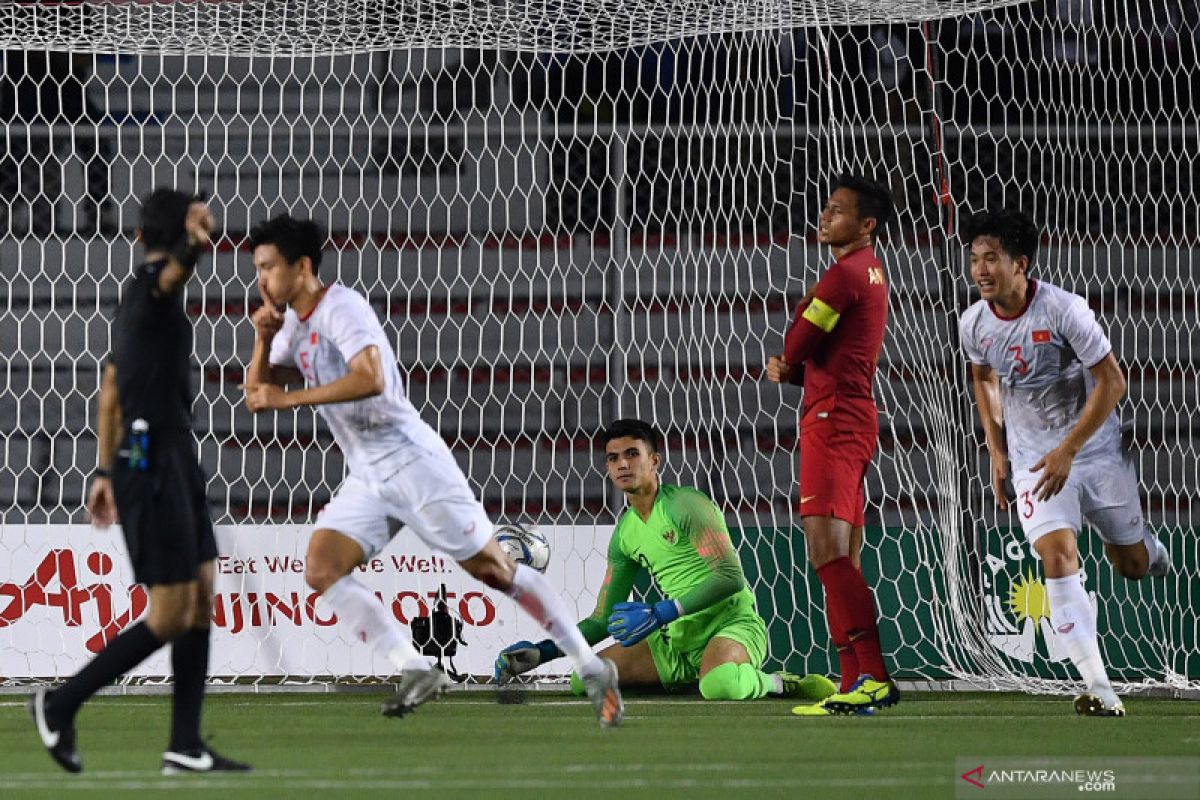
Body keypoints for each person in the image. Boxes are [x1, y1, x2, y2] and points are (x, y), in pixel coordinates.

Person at [241, 214, 624, 727]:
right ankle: (415, 667)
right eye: (258, 269)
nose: (260, 280)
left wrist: (291, 398)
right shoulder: (293, 326)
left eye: (267, 267)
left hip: (413, 462)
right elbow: (255, 395)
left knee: (495, 571)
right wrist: (264, 340)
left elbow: (370, 378)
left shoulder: (342, 308)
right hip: (368, 476)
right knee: (321, 568)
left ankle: (590, 663)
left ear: (302, 266)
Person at [27, 189, 251, 774]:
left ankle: (185, 743)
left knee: (200, 596)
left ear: (135, 236)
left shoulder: (139, 308)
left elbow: (108, 391)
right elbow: (172, 272)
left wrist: (102, 468)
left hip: (165, 455)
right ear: (168, 243)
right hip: (151, 462)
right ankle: (59, 703)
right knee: (171, 612)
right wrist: (194, 244)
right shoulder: (154, 291)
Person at [958, 208, 1169, 717]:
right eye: (974, 259)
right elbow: (983, 377)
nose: (980, 270)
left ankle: (1151, 551)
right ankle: (1099, 687)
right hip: (1034, 460)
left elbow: (1113, 383)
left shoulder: (1064, 310)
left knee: (1133, 566)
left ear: (1021, 264)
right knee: (1056, 555)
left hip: (1093, 452)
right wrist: (996, 445)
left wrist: (1069, 450)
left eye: (992, 259)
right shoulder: (974, 323)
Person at [494, 419, 838, 703]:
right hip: (675, 639)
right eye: (613, 459)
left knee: (722, 687)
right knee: (584, 680)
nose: (623, 464)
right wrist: (542, 653)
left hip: (729, 624)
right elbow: (601, 619)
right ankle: (687, 675)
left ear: (655, 460)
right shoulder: (625, 534)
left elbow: (730, 577)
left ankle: (780, 683)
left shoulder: (686, 505)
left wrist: (661, 612)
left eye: (632, 454)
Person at [765, 174, 897, 716]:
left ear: (865, 224)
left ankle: (873, 675)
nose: (825, 217)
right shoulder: (869, 272)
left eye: (838, 211)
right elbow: (826, 353)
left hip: (834, 420)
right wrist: (798, 370)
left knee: (827, 553)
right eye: (825, 208)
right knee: (843, 555)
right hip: (845, 409)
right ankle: (851, 683)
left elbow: (799, 341)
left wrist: (790, 358)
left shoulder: (843, 275)